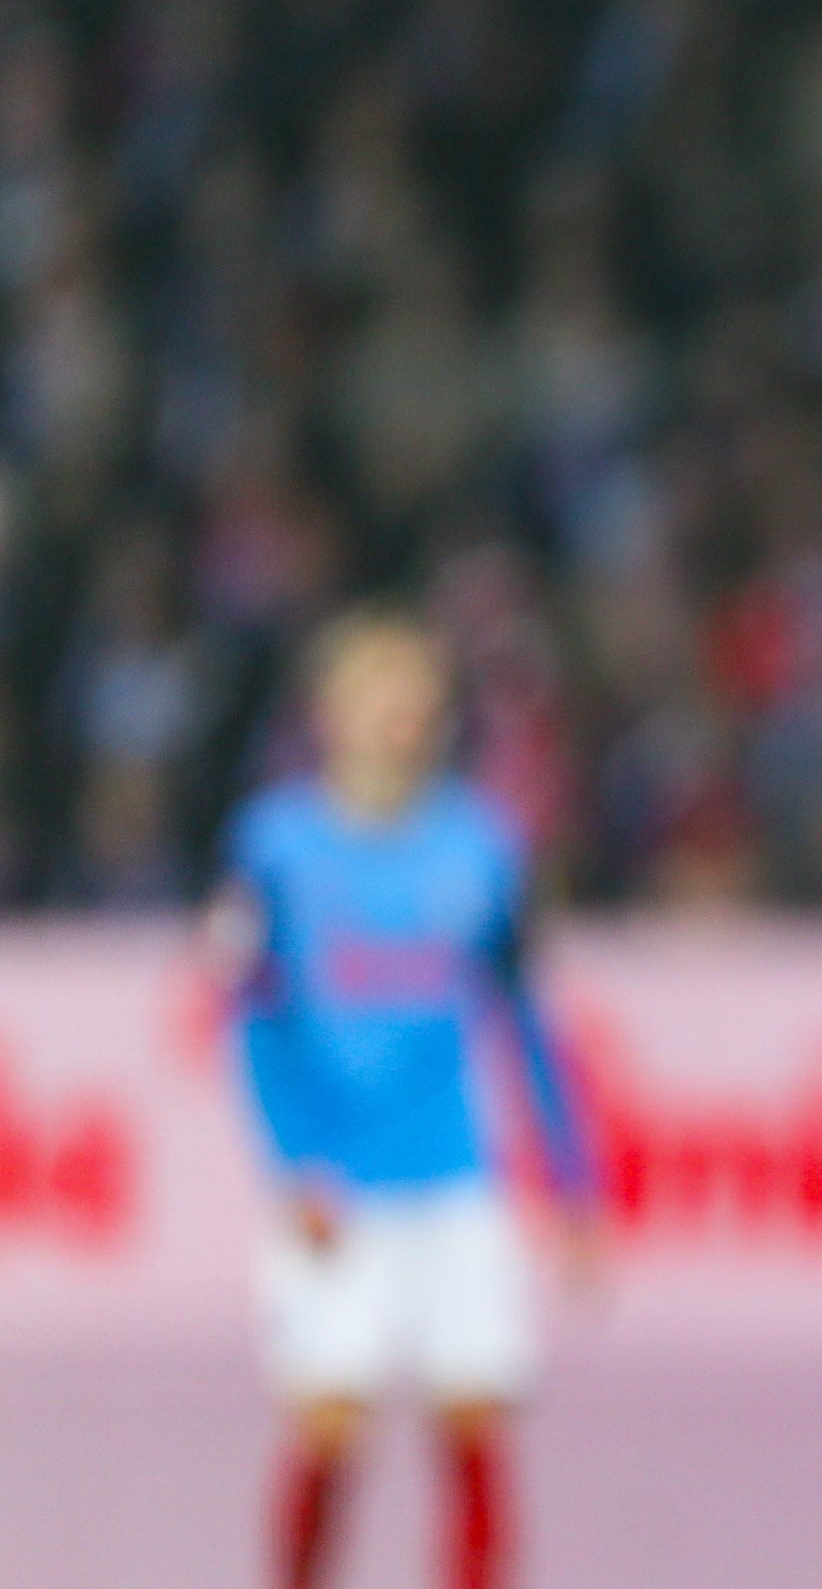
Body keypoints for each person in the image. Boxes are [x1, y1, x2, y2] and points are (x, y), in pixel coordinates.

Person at [208, 609, 600, 1589]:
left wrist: (574, 1180)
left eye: (417, 703)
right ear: (329, 714)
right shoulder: (275, 847)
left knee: (475, 1418)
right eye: (378, 699)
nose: (401, 721)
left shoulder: (484, 846)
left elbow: (528, 1019)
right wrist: (294, 1160)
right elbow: (252, 1023)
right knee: (329, 1418)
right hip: (337, 1185)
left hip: (455, 1176)